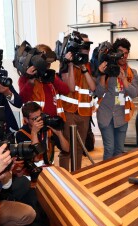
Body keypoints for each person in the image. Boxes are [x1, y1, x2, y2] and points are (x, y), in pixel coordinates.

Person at [18, 44, 70, 169]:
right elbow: (22, 99)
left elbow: (65, 89)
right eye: (44, 64)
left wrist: (51, 77)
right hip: (34, 123)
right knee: (35, 155)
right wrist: (30, 80)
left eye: (48, 64)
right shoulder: (25, 78)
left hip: (51, 123)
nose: (47, 67)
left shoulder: (51, 77)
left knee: (58, 150)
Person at [95, 38, 138, 160]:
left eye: (125, 53)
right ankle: (106, 176)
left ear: (128, 54)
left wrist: (124, 80)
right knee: (109, 149)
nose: (122, 56)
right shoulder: (106, 69)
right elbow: (98, 92)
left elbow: (134, 93)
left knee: (119, 150)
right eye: (120, 52)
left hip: (122, 117)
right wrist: (103, 74)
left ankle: (117, 177)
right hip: (105, 114)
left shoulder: (132, 72)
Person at [60, 33, 96, 170]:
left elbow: (93, 87)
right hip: (69, 111)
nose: (86, 48)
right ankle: (64, 176)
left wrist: (84, 69)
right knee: (67, 148)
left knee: (80, 147)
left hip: (85, 113)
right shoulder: (65, 63)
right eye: (84, 45)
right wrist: (70, 65)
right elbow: (70, 87)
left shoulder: (89, 65)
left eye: (88, 45)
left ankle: (77, 175)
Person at [16, 101, 70, 165]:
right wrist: (34, 133)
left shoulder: (47, 129)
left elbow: (67, 149)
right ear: (26, 119)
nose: (39, 120)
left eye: (41, 116)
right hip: (31, 172)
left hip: (49, 168)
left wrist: (59, 134)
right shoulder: (21, 134)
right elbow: (36, 159)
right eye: (35, 118)